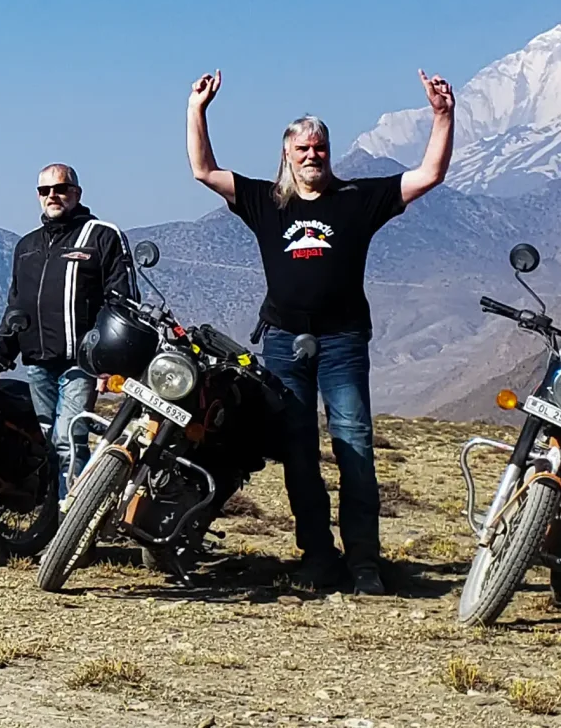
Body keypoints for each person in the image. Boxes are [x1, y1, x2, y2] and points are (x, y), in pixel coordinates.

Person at [185, 68, 455, 595]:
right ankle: (317, 557)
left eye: (320, 148)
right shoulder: (266, 201)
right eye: (303, 149)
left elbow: (429, 175)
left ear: (330, 152)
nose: (313, 155)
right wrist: (197, 109)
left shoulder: (357, 199)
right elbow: (204, 170)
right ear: (287, 155)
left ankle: (364, 562)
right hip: (284, 344)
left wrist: (442, 115)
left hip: (342, 343)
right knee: (299, 454)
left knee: (354, 447)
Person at [0, 164, 133, 506]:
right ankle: (52, 513)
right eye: (44, 190)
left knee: (69, 439)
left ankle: (73, 517)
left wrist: (109, 362)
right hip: (37, 362)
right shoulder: (27, 246)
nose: (52, 195)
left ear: (76, 193)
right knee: (46, 442)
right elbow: (16, 310)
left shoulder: (101, 236)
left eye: (60, 188)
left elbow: (122, 303)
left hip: (82, 363)